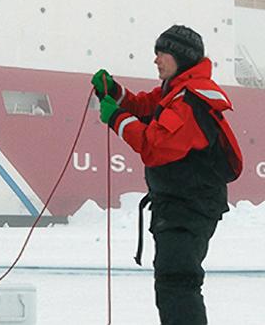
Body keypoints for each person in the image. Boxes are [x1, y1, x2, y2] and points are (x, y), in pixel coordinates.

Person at [91, 25, 242, 325]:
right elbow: (147, 107)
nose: (156, 60)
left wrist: (116, 118)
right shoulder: (176, 92)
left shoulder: (189, 102)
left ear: (181, 57)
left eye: (163, 53)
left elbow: (153, 147)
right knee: (173, 282)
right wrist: (116, 94)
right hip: (179, 206)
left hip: (190, 209)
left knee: (178, 283)